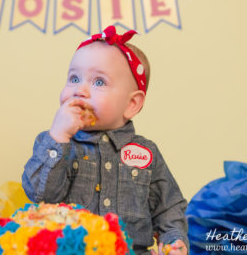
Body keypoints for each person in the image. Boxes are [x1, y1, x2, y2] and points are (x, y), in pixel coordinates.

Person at [22, 25, 189, 255]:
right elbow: (40, 198)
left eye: (98, 82)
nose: (80, 90)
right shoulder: (55, 142)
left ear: (132, 104)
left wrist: (174, 242)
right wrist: (59, 136)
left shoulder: (146, 152)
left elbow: (168, 208)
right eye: (74, 78)